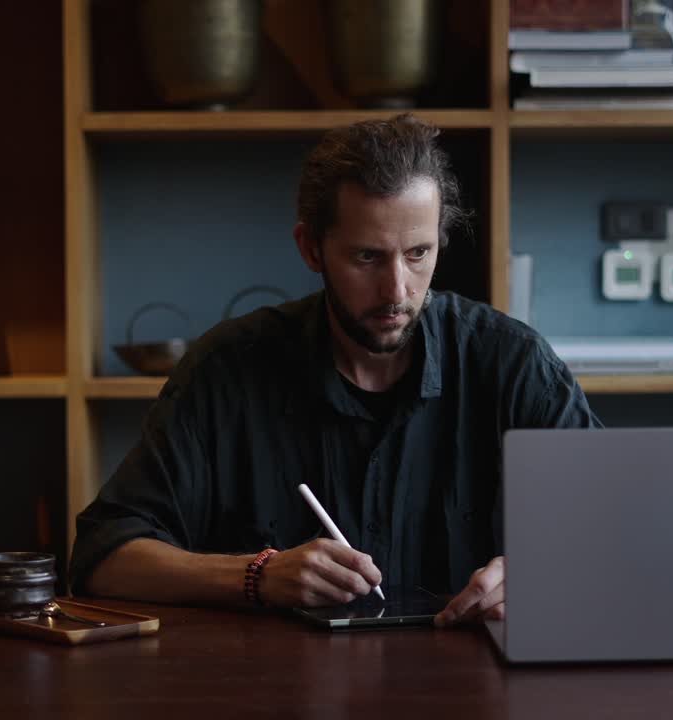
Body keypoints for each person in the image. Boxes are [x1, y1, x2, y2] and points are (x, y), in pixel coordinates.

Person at [70, 113, 600, 626]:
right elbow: (102, 558)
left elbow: (618, 535)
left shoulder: (512, 364)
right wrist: (256, 576)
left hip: (471, 679)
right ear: (311, 249)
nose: (397, 290)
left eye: (418, 253)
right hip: (276, 679)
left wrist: (537, 573)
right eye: (367, 257)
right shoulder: (226, 372)